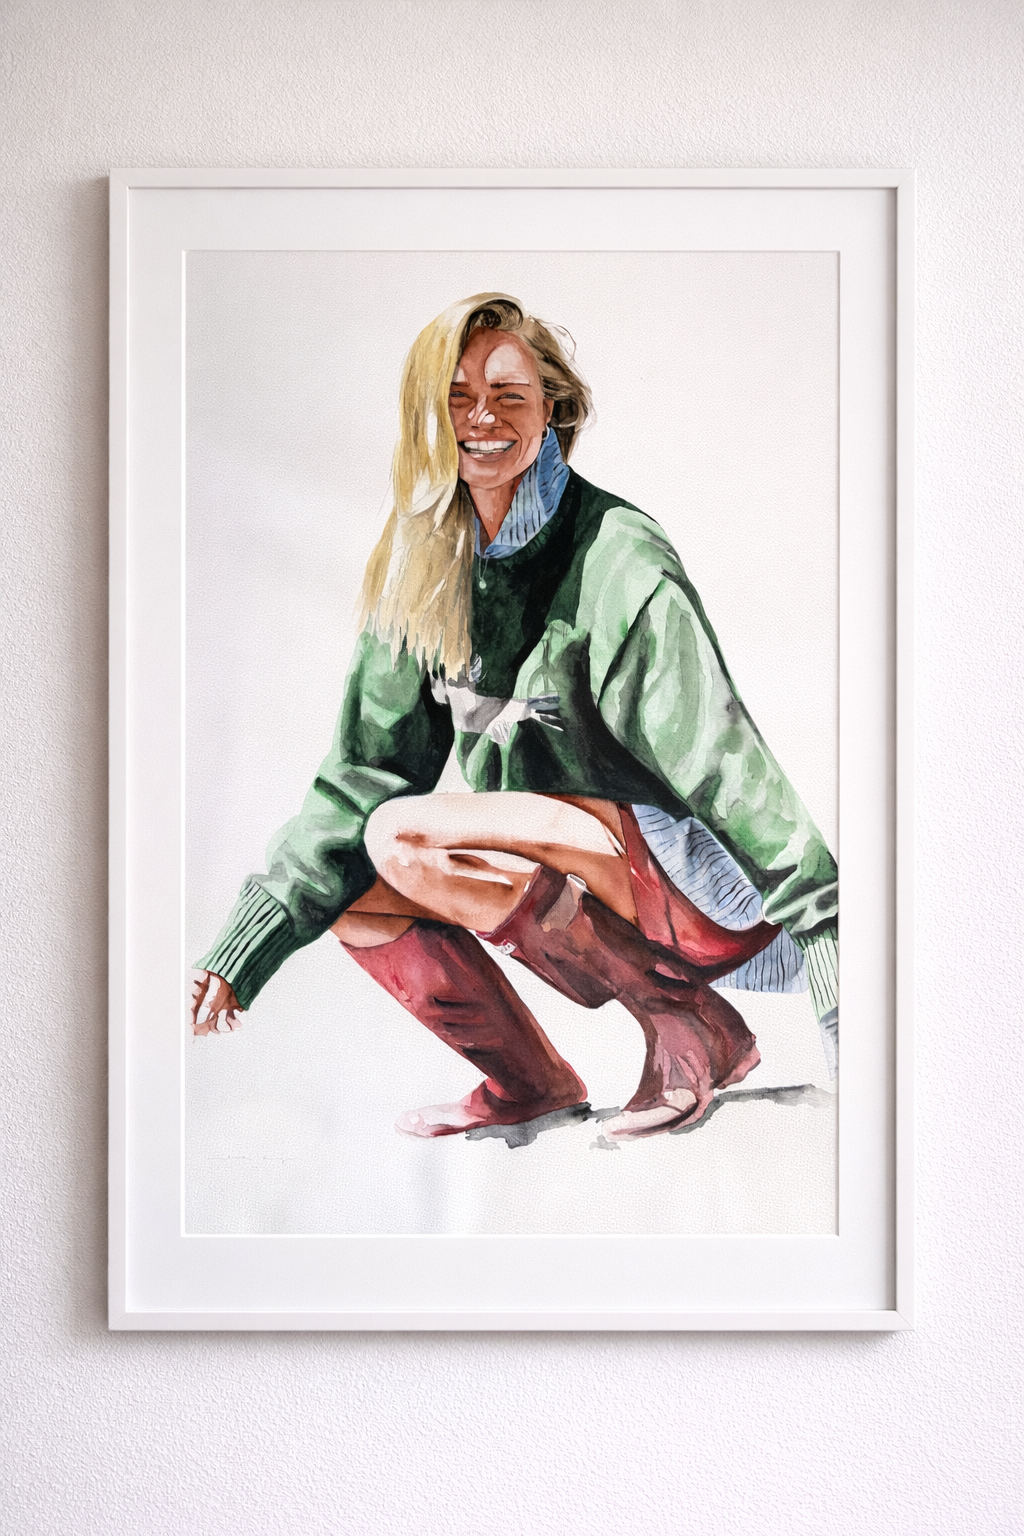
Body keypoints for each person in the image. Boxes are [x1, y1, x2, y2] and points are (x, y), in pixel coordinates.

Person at [190, 293, 838, 1143]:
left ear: (552, 411)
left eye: (509, 396)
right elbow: (361, 775)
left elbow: (726, 763)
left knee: (399, 836)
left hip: (700, 883)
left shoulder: (617, 555)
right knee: (352, 885)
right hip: (580, 865)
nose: (482, 419)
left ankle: (688, 1020)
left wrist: (833, 949)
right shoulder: (424, 560)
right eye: (457, 396)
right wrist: (253, 940)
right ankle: (530, 1081)